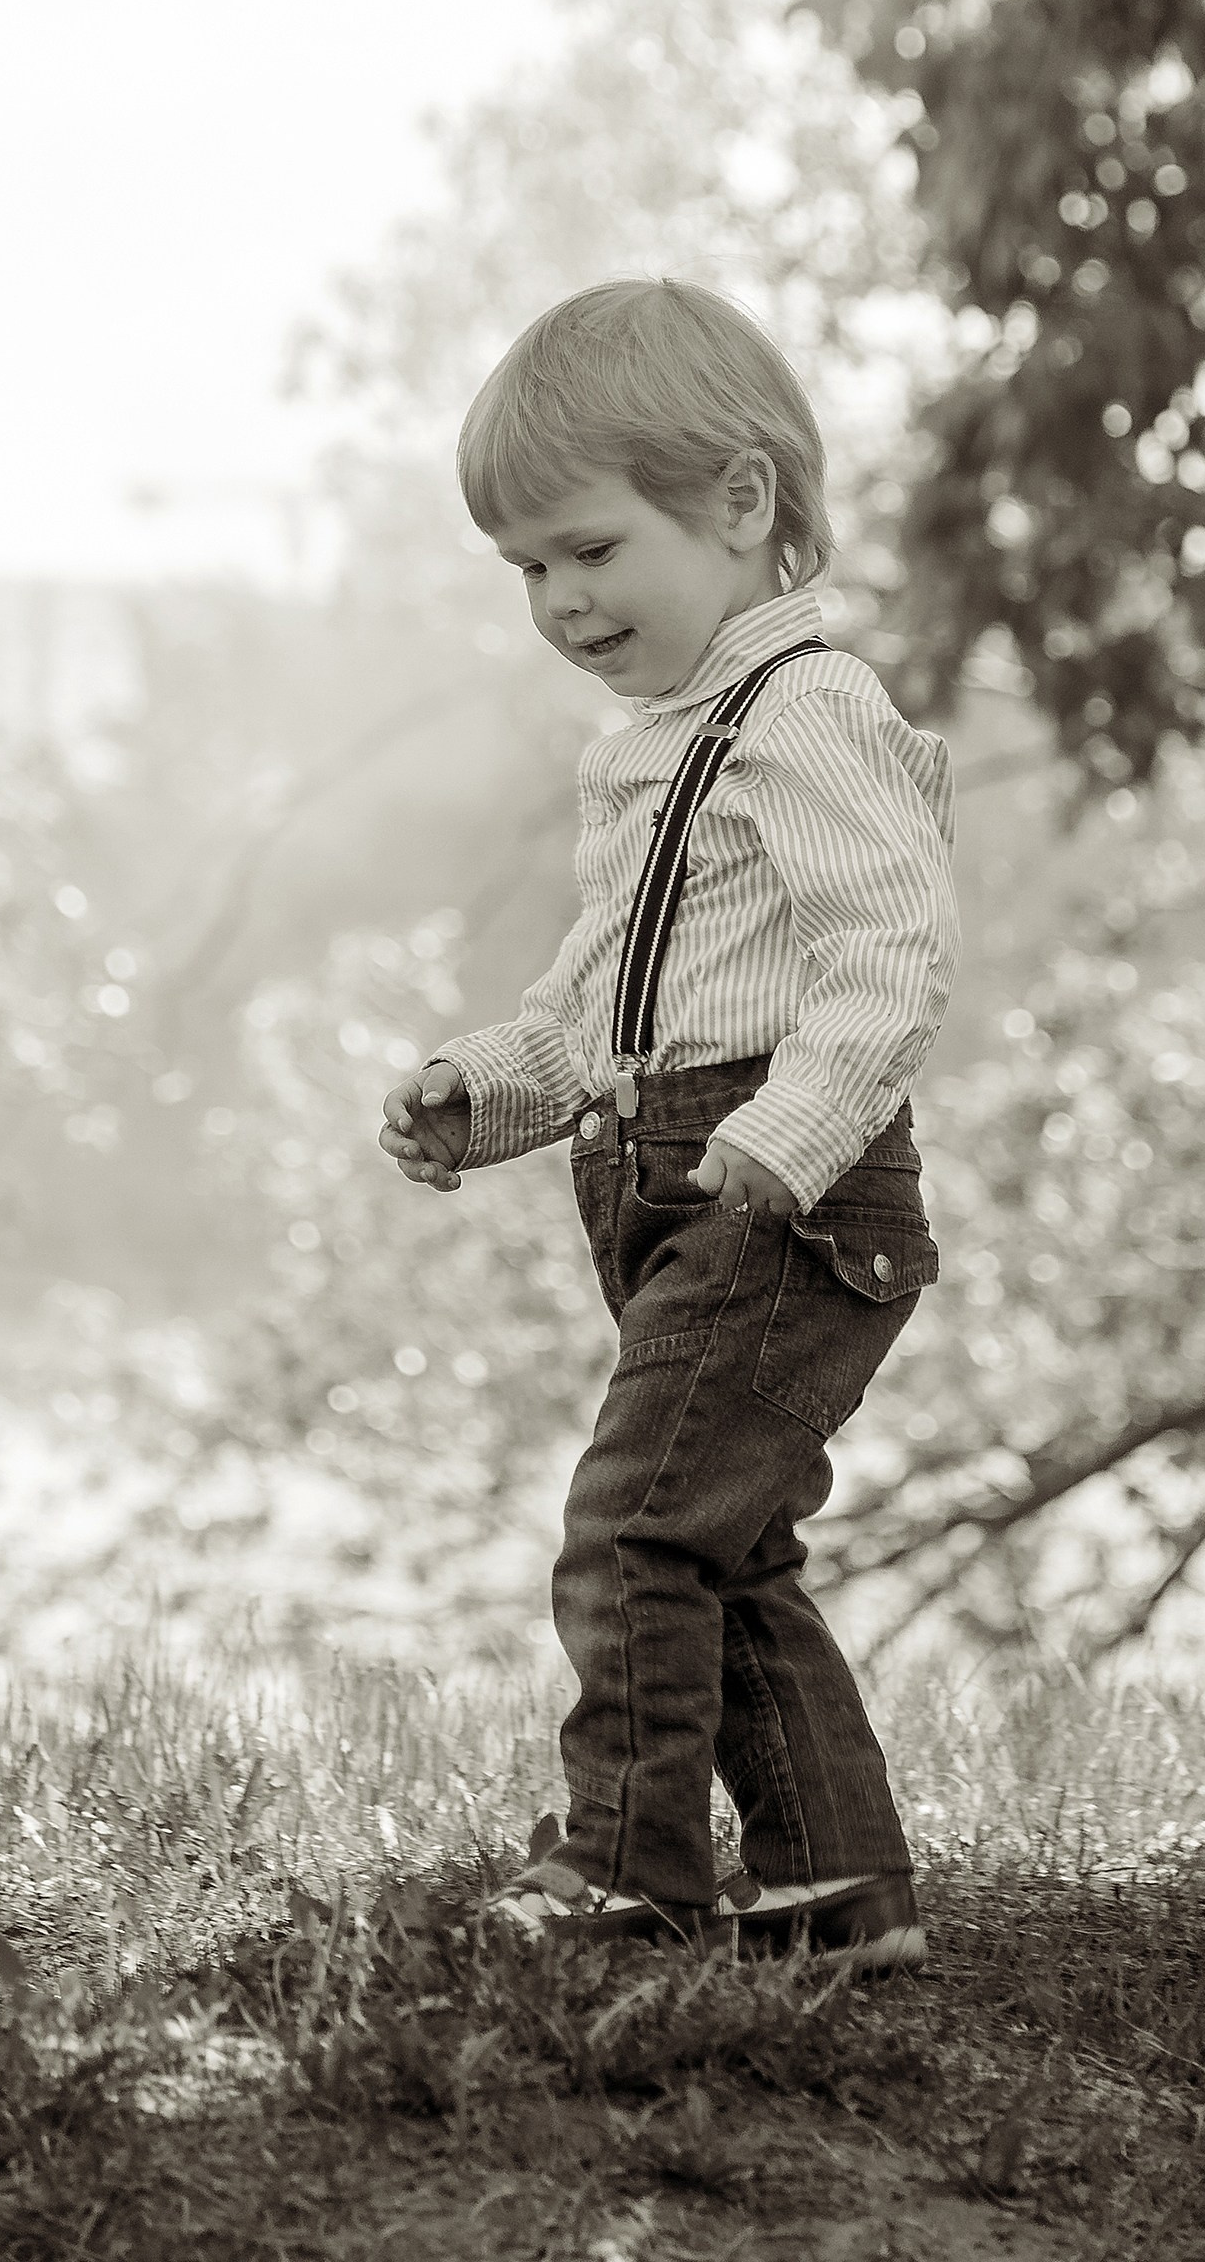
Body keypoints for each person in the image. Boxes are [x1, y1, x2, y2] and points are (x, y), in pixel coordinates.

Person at [377, 278, 957, 1968]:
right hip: (663, 1173)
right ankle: (843, 1901)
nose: (560, 601)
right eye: (528, 572)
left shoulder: (812, 711)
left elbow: (890, 949)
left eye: (589, 550)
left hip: (784, 1189)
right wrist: (480, 1093)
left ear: (740, 504)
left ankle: (628, 1867)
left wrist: (797, 1132)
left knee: (631, 1523)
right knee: (725, 1543)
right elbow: (599, 1006)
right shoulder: (658, 748)